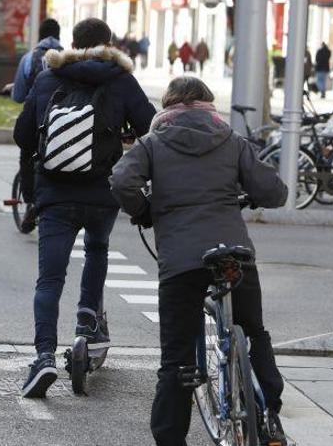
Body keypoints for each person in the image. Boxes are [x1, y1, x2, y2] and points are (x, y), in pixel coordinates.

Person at [109, 76, 288, 446]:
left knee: (176, 358)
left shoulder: (153, 144)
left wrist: (145, 210)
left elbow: (122, 180)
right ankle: (269, 415)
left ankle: (171, 438)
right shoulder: (231, 141)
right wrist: (250, 195)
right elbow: (273, 192)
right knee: (254, 332)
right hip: (234, 253)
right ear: (208, 105)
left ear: (168, 106)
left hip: (181, 261)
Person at [13, 18, 155, 398]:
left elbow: (22, 136)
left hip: (56, 194)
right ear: (108, 44)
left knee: (50, 278)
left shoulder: (48, 78)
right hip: (101, 193)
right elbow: (150, 127)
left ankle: (43, 357)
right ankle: (87, 323)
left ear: (73, 44)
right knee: (97, 249)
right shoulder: (120, 80)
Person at [11, 18, 63, 232]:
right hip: (63, 119)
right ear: (59, 35)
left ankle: (31, 201)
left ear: (39, 35)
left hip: (35, 118)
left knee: (26, 153)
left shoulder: (29, 58)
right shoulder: (67, 58)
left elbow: (19, 95)